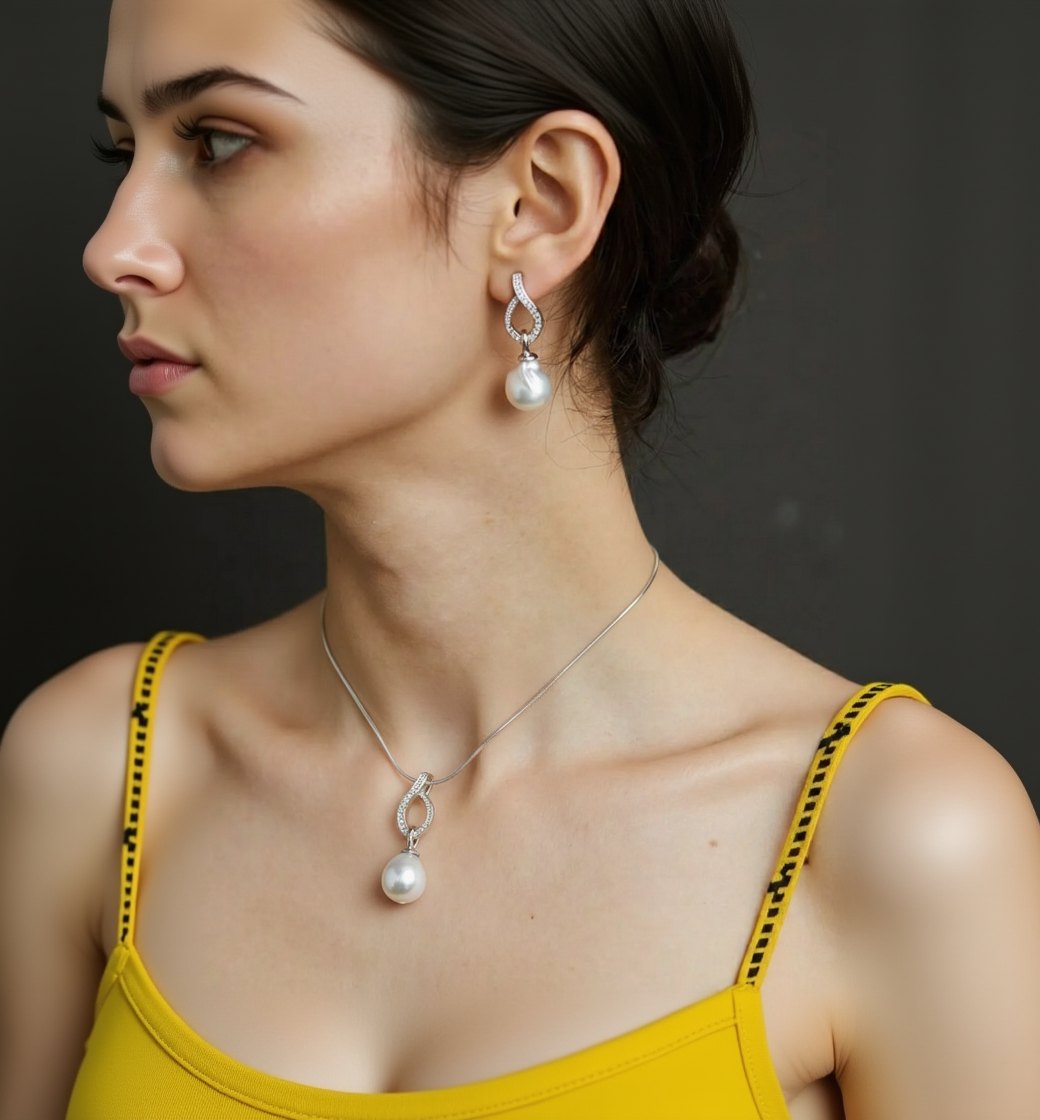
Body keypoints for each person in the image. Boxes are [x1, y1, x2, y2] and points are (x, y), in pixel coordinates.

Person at [2, 0, 1038, 1116]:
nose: (113, 246)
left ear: (539, 203)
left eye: (216, 141)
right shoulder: (103, 772)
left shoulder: (891, 835)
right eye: (125, 150)